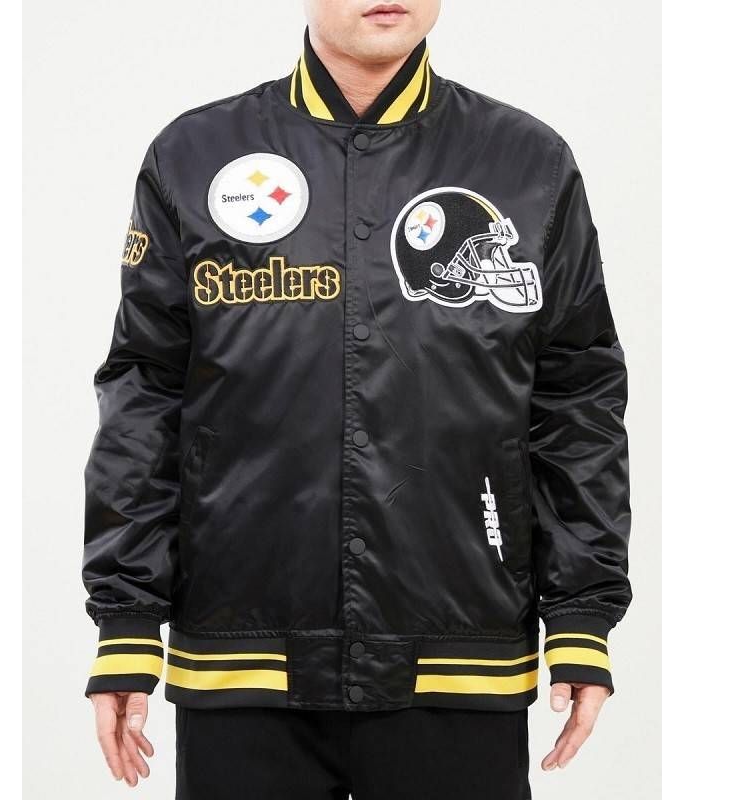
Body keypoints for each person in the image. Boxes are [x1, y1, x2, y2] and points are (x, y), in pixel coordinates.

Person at [81, 1, 632, 797]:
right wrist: (127, 620)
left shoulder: (527, 162)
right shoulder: (196, 156)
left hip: (461, 651)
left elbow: (576, 397)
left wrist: (581, 613)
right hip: (243, 658)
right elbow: (144, 393)